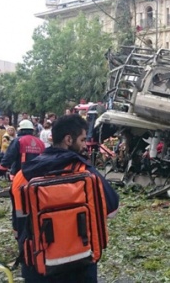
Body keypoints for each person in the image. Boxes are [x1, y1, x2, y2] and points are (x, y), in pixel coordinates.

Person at [16, 114, 120, 282]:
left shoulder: (25, 174)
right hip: (81, 263)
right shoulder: (85, 172)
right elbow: (112, 209)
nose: (85, 145)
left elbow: (19, 222)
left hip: (40, 264)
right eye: (82, 140)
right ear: (68, 140)